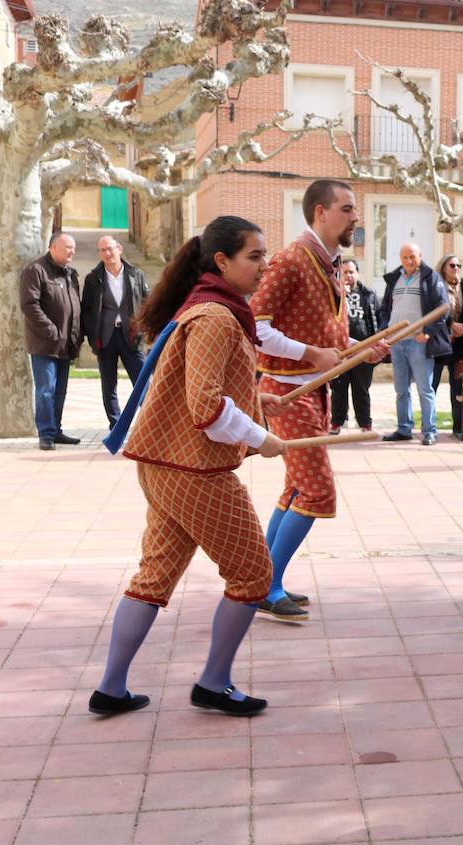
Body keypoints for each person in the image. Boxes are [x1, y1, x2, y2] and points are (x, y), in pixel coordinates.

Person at [91, 216, 286, 717]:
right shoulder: (216, 317)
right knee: (254, 575)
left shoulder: (205, 308)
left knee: (154, 577)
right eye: (255, 256)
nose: (264, 265)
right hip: (194, 470)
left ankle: (110, 689)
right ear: (222, 261)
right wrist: (260, 437)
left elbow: (200, 390)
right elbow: (207, 407)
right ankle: (213, 684)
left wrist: (257, 405)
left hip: (164, 465)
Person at [252, 179, 389, 622]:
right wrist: (312, 354)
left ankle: (263, 579)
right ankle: (265, 586)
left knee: (297, 487)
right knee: (316, 491)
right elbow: (256, 327)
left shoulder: (331, 262)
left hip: (313, 390)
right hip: (286, 392)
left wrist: (361, 348)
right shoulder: (291, 260)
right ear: (320, 212)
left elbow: (328, 334)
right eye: (347, 209)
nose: (355, 217)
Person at [378, 242, 451, 446]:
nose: (409, 261)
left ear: (420, 255)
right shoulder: (395, 278)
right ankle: (404, 429)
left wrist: (427, 333)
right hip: (396, 341)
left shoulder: (431, 277)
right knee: (401, 389)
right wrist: (385, 331)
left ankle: (430, 431)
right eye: (405, 257)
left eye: (413, 256)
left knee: (424, 389)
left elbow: (443, 309)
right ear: (400, 259)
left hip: (418, 342)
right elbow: (385, 309)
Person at [81, 236, 149, 430]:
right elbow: (86, 310)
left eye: (110, 248)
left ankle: (149, 422)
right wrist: (92, 336)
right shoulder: (93, 278)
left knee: (142, 382)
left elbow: (147, 303)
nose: (107, 253)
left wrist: (144, 330)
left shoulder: (136, 274)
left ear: (119, 249)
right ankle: (116, 425)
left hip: (131, 337)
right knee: (109, 384)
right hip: (105, 338)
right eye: (102, 250)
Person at [21, 232, 81, 450]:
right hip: (45, 344)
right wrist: (52, 331)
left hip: (66, 343)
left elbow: (74, 306)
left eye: (73, 247)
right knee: (46, 390)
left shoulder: (70, 273)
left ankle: (56, 431)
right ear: (53, 247)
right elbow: (30, 305)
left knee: (59, 391)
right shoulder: (35, 270)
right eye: (67, 247)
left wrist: (75, 335)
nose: (72, 251)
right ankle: (45, 434)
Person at [430, 255, 463, 440]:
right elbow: (433, 312)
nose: (456, 268)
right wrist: (450, 325)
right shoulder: (435, 287)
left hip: (460, 346)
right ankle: (428, 426)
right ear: (444, 268)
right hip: (438, 343)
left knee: (458, 386)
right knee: (431, 385)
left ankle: (460, 426)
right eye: (452, 265)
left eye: (459, 265)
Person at [330, 258, 380, 435]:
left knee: (361, 389)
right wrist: (341, 294)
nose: (348, 276)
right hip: (341, 350)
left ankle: (365, 424)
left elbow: (376, 319)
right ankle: (336, 423)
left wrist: (374, 345)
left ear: (357, 273)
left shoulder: (369, 294)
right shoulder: (335, 294)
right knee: (338, 388)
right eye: (345, 272)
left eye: (351, 272)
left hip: (363, 350)